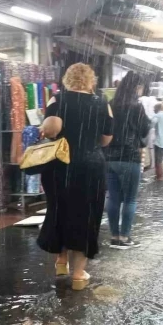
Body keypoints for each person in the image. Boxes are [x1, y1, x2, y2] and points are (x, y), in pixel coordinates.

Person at [37, 63, 113, 290]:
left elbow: (51, 130)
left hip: (60, 165)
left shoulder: (57, 100)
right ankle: (79, 274)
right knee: (86, 215)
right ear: (91, 81)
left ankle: (61, 260)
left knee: (60, 209)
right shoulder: (102, 103)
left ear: (67, 79)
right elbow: (107, 139)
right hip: (91, 166)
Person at [106, 71, 150, 249]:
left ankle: (114, 236)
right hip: (130, 157)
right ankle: (125, 237)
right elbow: (144, 130)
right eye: (140, 87)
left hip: (109, 158)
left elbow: (105, 129)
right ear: (136, 87)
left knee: (113, 198)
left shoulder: (111, 104)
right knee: (130, 199)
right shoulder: (136, 107)